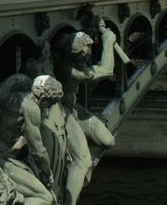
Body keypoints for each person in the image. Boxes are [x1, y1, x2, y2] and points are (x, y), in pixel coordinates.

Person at [52, 24, 118, 205]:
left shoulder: (67, 43)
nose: (87, 57)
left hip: (74, 109)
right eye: (83, 56)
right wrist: (108, 41)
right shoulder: (71, 71)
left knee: (108, 141)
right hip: (62, 113)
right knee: (83, 161)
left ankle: (75, 165)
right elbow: (106, 70)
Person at [0, 74, 64, 205]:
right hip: (3, 159)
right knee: (46, 198)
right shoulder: (31, 107)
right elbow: (38, 151)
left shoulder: (17, 96)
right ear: (44, 98)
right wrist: (47, 173)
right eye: (49, 103)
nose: (47, 108)